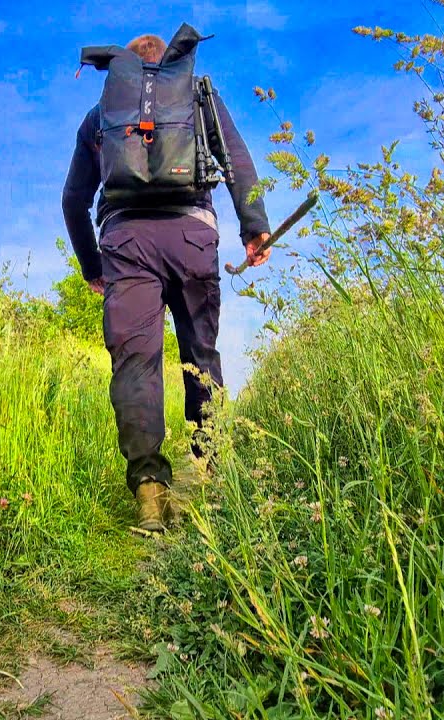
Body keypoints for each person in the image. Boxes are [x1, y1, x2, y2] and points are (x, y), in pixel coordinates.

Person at [61, 31, 273, 533]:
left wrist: (93, 267)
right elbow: (238, 161)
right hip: (192, 238)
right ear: (165, 65)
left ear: (126, 71)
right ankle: (215, 471)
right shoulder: (198, 96)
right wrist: (253, 225)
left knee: (136, 362)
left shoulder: (103, 116)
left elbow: (73, 200)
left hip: (125, 243)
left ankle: (151, 493)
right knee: (201, 354)